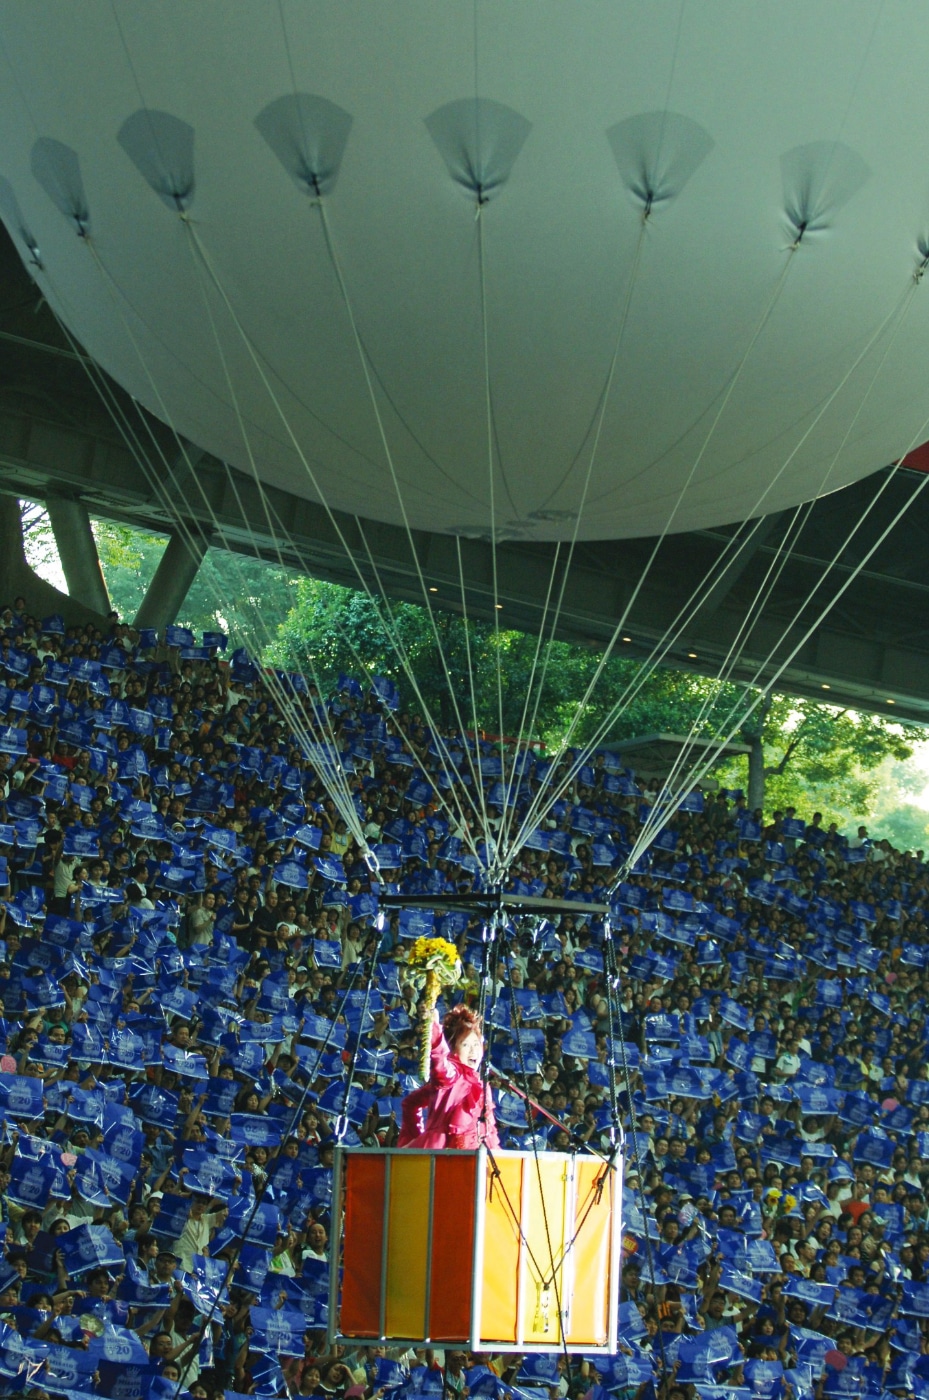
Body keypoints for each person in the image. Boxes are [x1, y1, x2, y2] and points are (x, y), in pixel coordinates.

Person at [397, 1004, 499, 1149]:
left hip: (474, 1159)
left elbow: (410, 1103)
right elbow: (440, 1063)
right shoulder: (451, 1075)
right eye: (465, 1045)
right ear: (453, 1049)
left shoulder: (481, 1085)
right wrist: (414, 1139)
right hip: (440, 1157)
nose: (473, 1051)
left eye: (476, 1044)